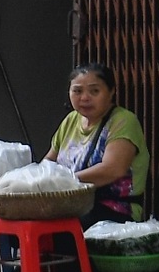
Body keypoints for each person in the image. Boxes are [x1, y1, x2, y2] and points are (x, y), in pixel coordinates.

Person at [46, 61, 149, 225]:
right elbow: (48, 163)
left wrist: (63, 182)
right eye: (77, 91)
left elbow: (112, 169)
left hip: (113, 210)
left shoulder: (123, 121)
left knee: (58, 227)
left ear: (111, 92)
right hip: (69, 205)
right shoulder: (71, 120)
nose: (85, 98)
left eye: (94, 91)